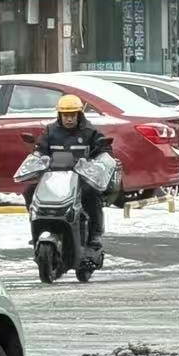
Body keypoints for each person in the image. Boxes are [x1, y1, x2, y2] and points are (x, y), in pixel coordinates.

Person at [33, 92, 115, 249]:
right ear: (59, 115)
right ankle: (39, 228)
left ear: (79, 114)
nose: (69, 119)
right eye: (65, 115)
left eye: (72, 115)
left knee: (92, 195)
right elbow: (40, 150)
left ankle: (95, 234)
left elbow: (104, 149)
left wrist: (101, 159)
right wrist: (38, 157)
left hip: (80, 178)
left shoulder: (90, 131)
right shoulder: (50, 131)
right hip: (54, 178)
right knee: (30, 191)